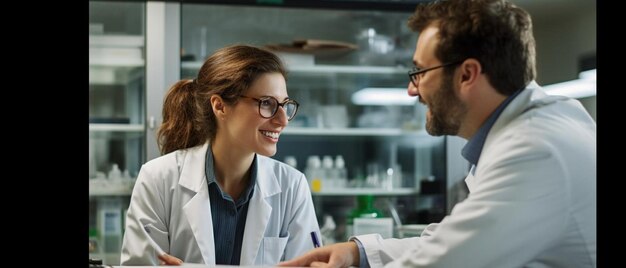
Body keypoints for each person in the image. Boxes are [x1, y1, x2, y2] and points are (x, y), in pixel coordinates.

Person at [279, 0, 596, 267]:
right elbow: (454, 238)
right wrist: (358, 252)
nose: (411, 90)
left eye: (419, 72)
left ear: (467, 74)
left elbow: (445, 260)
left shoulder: (533, 150)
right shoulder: (541, 123)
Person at [120, 44, 321, 266]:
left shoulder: (292, 186)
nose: (282, 120)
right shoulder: (158, 178)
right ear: (220, 106)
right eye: (267, 103)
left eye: (284, 105)